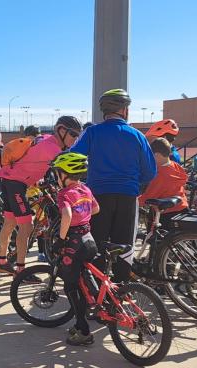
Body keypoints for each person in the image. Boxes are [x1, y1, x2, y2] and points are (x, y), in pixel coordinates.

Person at [70, 88, 157, 282]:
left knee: (97, 244)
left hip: (98, 197)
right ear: (124, 110)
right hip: (127, 197)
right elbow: (150, 171)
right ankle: (121, 288)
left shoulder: (92, 132)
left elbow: (72, 157)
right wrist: (136, 186)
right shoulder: (137, 135)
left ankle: (96, 289)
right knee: (124, 246)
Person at [0, 116, 82, 277]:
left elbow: (34, 160)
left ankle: (1, 261)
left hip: (9, 178)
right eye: (73, 134)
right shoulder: (53, 149)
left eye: (78, 135)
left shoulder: (47, 140)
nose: (75, 139)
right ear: (61, 130)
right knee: (26, 226)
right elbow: (67, 172)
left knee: (10, 223)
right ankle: (21, 271)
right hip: (16, 183)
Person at [48, 152, 99, 346]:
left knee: (70, 286)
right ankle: (81, 320)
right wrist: (83, 216)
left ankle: (84, 330)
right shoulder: (85, 189)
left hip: (75, 244)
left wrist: (61, 240)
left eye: (58, 173)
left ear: (65, 174)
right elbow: (96, 209)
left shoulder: (64, 193)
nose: (56, 176)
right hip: (89, 240)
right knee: (82, 283)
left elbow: (67, 215)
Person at [138, 137, 188, 228]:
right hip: (181, 207)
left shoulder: (160, 174)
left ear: (157, 155)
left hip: (166, 214)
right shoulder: (175, 165)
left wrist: (132, 200)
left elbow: (149, 196)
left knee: (152, 233)